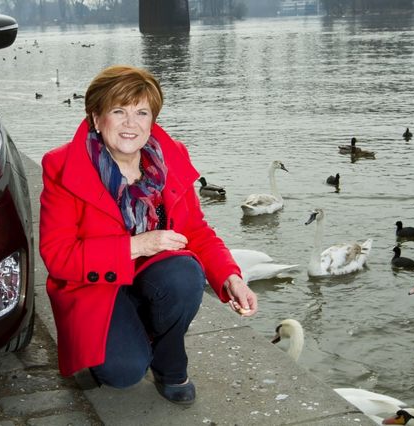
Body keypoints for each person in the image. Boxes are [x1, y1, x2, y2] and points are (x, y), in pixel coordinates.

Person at [39, 65, 258, 405]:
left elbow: (196, 230)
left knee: (185, 274)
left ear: (152, 119)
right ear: (97, 118)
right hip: (96, 286)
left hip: (154, 276)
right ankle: (127, 340)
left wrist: (230, 277)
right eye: (118, 111)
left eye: (141, 113)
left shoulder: (171, 157)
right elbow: (58, 256)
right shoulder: (63, 166)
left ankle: (170, 365)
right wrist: (136, 245)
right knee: (123, 373)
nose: (131, 124)